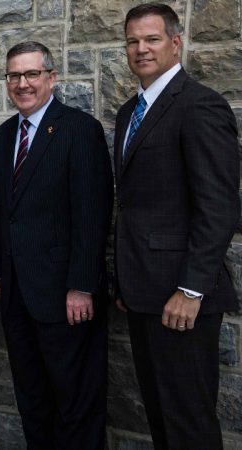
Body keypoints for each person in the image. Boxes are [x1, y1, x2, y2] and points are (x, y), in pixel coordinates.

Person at [114, 4, 240, 449]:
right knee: (161, 419)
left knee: (190, 424)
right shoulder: (130, 111)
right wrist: (127, 283)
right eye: (132, 41)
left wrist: (191, 289)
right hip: (143, 293)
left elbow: (220, 206)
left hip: (182, 298)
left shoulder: (200, 104)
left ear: (175, 42)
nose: (141, 49)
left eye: (151, 39)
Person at [0, 41, 113, 449]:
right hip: (19, 299)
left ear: (51, 78)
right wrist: (1, 276)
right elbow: (6, 214)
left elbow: (93, 215)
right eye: (14, 76)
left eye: (31, 74)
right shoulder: (5, 135)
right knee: (33, 402)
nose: (23, 83)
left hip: (66, 298)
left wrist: (81, 285)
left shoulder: (80, 129)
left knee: (74, 403)